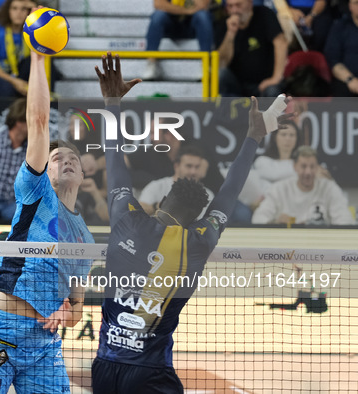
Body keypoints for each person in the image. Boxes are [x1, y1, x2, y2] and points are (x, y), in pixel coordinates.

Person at [91, 52, 291, 393]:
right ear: (200, 216)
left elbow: (114, 161)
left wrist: (112, 103)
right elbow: (229, 193)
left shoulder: (126, 219)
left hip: (105, 368)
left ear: (166, 196)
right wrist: (254, 137)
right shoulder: (198, 242)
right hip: (150, 374)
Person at [0, 49, 94, 393]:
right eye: (56, 158)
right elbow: (37, 121)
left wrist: (70, 313)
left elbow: (78, 303)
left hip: (44, 345)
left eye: (72, 158)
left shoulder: (85, 238)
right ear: (43, 169)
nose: (65, 161)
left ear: (82, 173)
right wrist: (38, 59)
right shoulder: (36, 193)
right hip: (1, 330)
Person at [251, 146, 355, 225]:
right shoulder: (279, 189)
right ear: (295, 167)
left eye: (312, 166)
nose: (308, 172)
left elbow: (345, 220)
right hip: (287, 247)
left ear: (317, 167)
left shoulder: (329, 188)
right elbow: (258, 219)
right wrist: (276, 222)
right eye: (303, 166)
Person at [216, 0, 287, 97]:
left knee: (273, 90)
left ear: (250, 3)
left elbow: (281, 43)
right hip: (237, 84)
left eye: (238, 5)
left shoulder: (264, 14)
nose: (234, 10)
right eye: (230, 6)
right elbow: (222, 63)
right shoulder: (224, 24)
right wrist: (230, 34)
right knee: (221, 74)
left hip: (264, 84)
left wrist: (276, 78)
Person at [239, 119, 301, 212]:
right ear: (275, 137)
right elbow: (273, 174)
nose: (288, 139)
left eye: (292, 135)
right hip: (265, 207)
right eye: (284, 134)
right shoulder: (263, 161)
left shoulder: (302, 164)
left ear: (297, 138)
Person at [143, 0, 213, 80]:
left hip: (192, 25)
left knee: (203, 16)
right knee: (157, 16)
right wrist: (187, 11)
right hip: (171, 24)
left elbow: (201, 5)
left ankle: (206, 65)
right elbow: (159, 4)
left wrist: (174, 8)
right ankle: (151, 63)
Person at [138, 145, 215, 216]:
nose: (193, 172)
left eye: (197, 167)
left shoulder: (207, 194)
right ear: (176, 166)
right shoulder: (157, 186)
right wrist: (158, 206)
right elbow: (138, 211)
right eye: (189, 166)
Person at [323, 0, 358, 97]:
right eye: (357, 3)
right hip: (347, 79)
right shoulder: (339, 26)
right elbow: (333, 60)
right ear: (350, 5)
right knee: (340, 89)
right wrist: (350, 80)